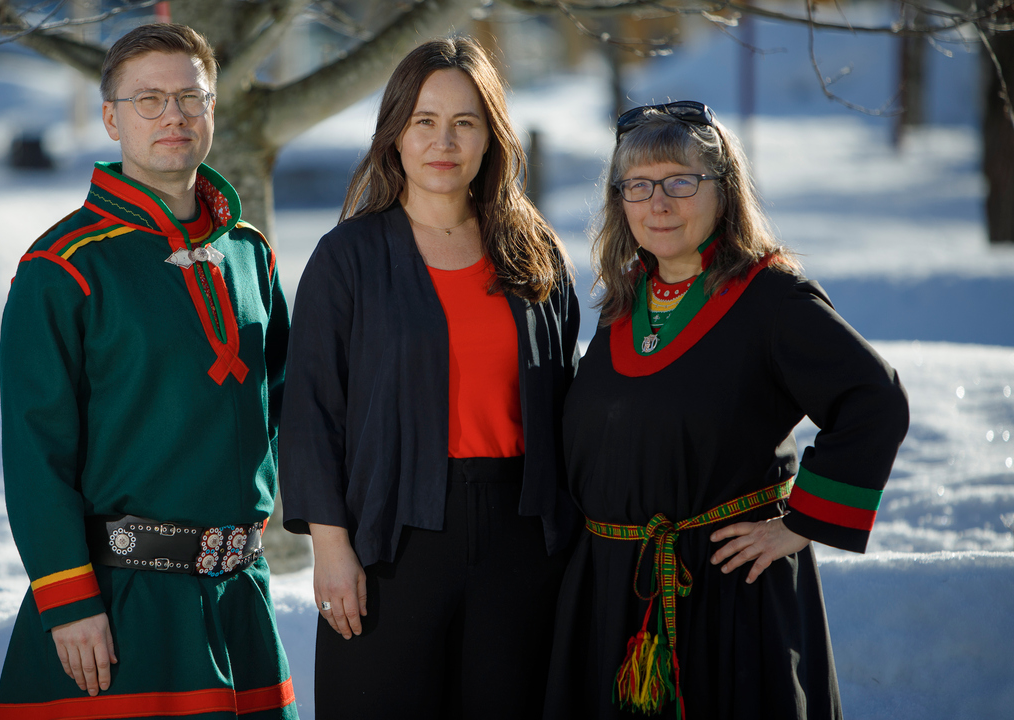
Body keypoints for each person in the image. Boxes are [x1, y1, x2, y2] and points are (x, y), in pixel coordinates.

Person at [543, 101, 910, 719]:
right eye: (638, 185)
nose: (658, 203)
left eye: (680, 182)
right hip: (613, 598)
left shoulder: (770, 299)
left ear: (724, 192)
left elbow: (874, 401)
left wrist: (799, 523)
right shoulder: (623, 302)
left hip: (726, 599)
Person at [0, 24, 297, 720]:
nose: (174, 117)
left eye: (190, 98)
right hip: (121, 605)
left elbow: (290, 412)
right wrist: (68, 600)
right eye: (149, 100)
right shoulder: (63, 268)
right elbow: (35, 452)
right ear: (110, 118)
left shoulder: (251, 256)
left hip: (240, 597)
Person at [279, 37, 581, 719]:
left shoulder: (534, 253)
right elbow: (311, 412)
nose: (443, 141)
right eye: (424, 121)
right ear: (394, 133)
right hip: (391, 539)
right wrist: (331, 547)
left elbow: (565, 397)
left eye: (464, 122)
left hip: (520, 539)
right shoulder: (347, 257)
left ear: (490, 138)